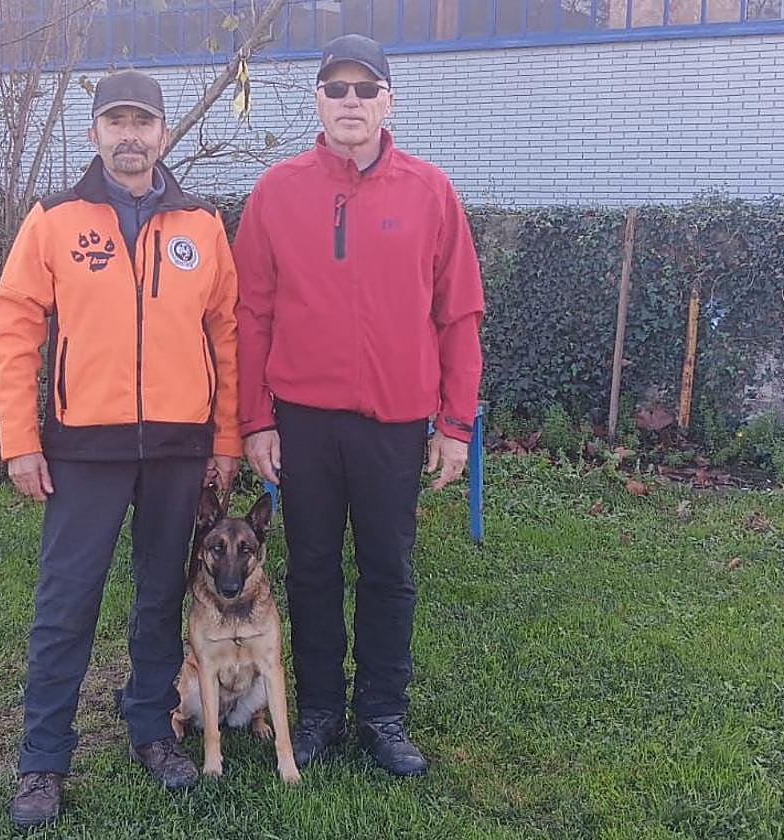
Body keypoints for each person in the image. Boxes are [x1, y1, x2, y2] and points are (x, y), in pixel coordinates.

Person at [0, 70, 241, 828]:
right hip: (81, 451)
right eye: (115, 121)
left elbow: (227, 337)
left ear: (164, 134)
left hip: (177, 451)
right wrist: (18, 440)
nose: (130, 135)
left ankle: (150, 730)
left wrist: (225, 439)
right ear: (94, 132)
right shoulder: (55, 219)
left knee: (161, 599)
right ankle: (43, 761)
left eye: (143, 122)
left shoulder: (202, 224)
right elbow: (14, 328)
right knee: (65, 606)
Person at [233, 34, 485, 778]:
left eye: (364, 89)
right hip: (304, 424)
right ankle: (316, 712)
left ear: (387, 102)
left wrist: (455, 424)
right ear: (317, 100)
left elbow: (459, 314)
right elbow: (251, 315)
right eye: (336, 89)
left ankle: (381, 712)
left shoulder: (429, 191)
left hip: (396, 422)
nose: (350, 102)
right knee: (310, 567)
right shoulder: (277, 191)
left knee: (387, 568)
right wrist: (255, 419)